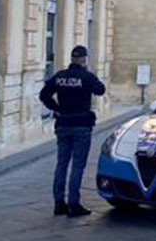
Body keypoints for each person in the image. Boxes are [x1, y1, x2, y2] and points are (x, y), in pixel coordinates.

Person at [39, 45, 106, 218]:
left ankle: (59, 203)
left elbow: (44, 95)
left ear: (71, 58)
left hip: (63, 123)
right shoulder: (87, 77)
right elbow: (101, 90)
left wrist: (57, 108)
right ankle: (73, 204)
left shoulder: (60, 76)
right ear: (84, 59)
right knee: (77, 166)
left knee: (61, 164)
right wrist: (88, 73)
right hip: (81, 125)